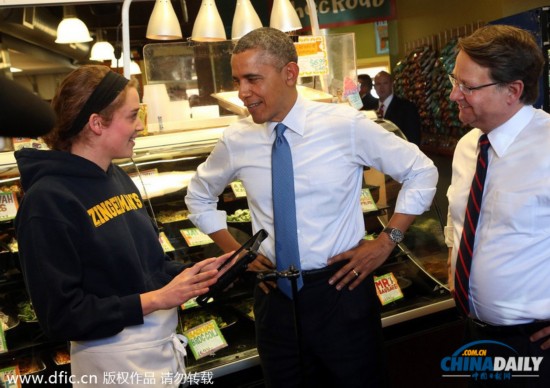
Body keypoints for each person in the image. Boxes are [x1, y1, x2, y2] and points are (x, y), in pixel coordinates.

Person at [185, 27, 438, 388]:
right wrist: (236, 252)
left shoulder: (344, 124)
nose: (242, 92)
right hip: (273, 298)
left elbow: (421, 171)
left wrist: (387, 241)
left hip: (341, 292)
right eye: (238, 80)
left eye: (253, 79)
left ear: (290, 73)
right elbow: (198, 195)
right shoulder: (237, 139)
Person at [14, 65, 231, 388]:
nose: (141, 126)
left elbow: (145, 268)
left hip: (157, 354)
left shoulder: (116, 177)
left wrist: (191, 275)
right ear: (96, 123)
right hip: (110, 366)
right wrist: (158, 298)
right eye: (132, 116)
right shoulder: (47, 201)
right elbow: (61, 317)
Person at [445, 25, 550, 387]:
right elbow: (461, 221)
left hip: (534, 346)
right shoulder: (467, 148)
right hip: (473, 336)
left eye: (468, 87)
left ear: (513, 91)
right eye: (454, 80)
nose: (453, 94)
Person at [374, 70, 422, 145]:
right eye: (378, 84)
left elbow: (413, 138)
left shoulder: (406, 107)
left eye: (385, 83)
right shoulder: (371, 107)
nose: (381, 87)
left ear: (392, 85)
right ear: (374, 87)